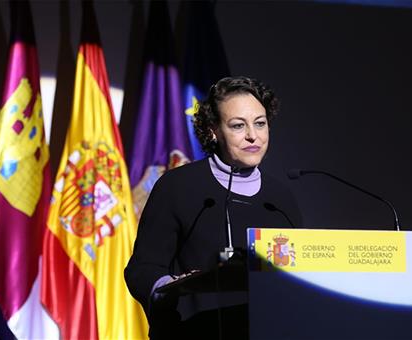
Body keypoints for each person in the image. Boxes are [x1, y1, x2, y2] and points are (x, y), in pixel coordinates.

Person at [124, 76, 302, 339]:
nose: (253, 135)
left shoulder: (280, 198)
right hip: (195, 331)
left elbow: (300, 274)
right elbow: (143, 269)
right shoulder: (177, 186)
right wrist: (169, 288)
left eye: (260, 124)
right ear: (213, 130)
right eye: (238, 126)